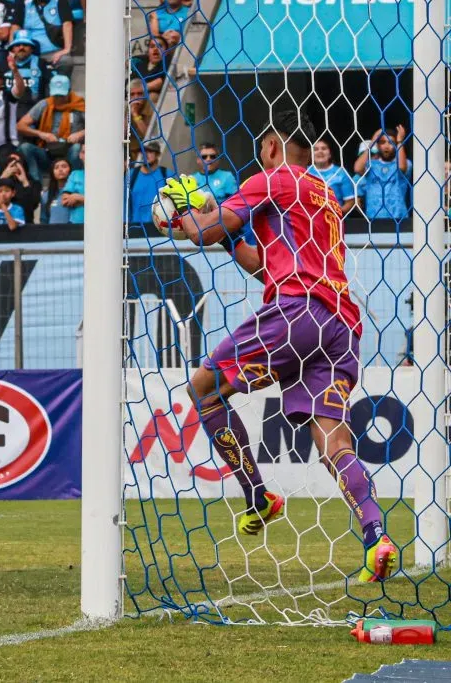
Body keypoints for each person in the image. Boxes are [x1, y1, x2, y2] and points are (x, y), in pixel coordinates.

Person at [165, 109, 397, 582]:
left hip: (297, 313)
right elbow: (264, 266)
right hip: (340, 323)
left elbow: (201, 230)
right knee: (333, 437)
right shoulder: (324, 192)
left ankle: (258, 495)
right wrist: (226, 235)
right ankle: (376, 535)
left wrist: (182, 208)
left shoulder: (270, 178)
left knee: (203, 389)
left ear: (271, 145)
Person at [16, 73, 84, 181]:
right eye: (56, 95)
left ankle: (74, 181)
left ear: (69, 91)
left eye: (62, 96)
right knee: (25, 147)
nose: (58, 99)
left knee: (77, 148)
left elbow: (97, 125)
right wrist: (41, 134)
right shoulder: (45, 104)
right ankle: (36, 184)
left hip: (69, 150)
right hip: (48, 151)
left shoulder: (79, 105)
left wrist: (81, 133)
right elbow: (20, 126)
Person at [353, 126, 411, 222]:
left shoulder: (405, 163)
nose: (387, 146)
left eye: (391, 142)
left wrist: (400, 142)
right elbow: (357, 168)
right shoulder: (371, 165)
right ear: (378, 145)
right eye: (382, 142)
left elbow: (402, 168)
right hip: (374, 217)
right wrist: (372, 143)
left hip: (399, 218)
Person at [14, 0, 75, 76]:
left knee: (65, 60)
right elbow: (16, 26)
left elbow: (67, 24)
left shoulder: (60, 2)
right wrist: (12, 50)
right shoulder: (24, 4)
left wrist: (67, 49)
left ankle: (60, 86)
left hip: (53, 53)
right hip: (30, 53)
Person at [3, 29, 52, 112]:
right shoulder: (3, 64)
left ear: (32, 48)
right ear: (12, 49)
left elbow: (52, 85)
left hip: (34, 110)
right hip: (8, 109)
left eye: (25, 45)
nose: (21, 47)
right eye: (18, 45)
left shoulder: (42, 64)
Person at [308, 139, 356, 214]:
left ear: (330, 153)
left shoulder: (341, 173)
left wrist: (336, 214)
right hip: (310, 218)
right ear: (311, 154)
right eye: (316, 149)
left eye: (324, 148)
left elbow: (350, 202)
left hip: (334, 219)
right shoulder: (304, 172)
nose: (320, 151)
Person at [127, 140, 167, 225]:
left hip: (159, 227)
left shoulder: (166, 175)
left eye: (150, 151)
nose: (145, 154)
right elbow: (123, 201)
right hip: (135, 227)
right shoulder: (131, 175)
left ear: (157, 155)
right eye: (143, 151)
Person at [41, 156, 71, 223]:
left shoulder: (76, 192)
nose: (60, 169)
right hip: (52, 232)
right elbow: (43, 220)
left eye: (64, 166)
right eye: (56, 167)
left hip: (72, 231)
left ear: (70, 171)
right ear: (52, 173)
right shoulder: (45, 195)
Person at [61, 142, 83, 224]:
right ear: (80, 155)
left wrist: (78, 198)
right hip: (75, 223)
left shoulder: (103, 175)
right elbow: (64, 201)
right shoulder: (75, 174)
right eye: (84, 152)